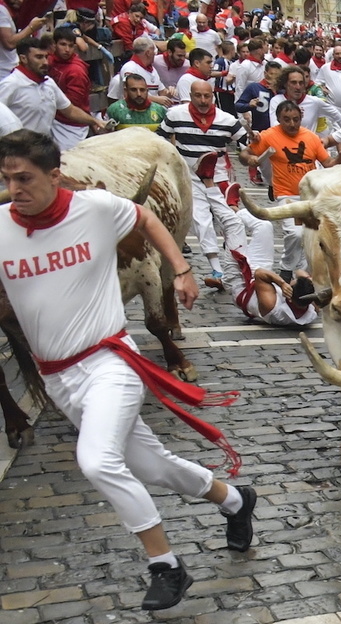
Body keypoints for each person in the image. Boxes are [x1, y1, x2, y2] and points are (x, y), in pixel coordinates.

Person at [0, 128, 256, 611]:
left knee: (97, 461)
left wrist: (182, 269)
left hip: (109, 364)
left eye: (25, 178)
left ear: (54, 176)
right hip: (58, 378)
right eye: (7, 178)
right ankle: (236, 500)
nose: (15, 189)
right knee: (151, 465)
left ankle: (166, 566)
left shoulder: (94, 208)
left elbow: (145, 217)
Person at [239, 100, 341, 282]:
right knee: (295, 233)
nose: (292, 124)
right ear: (278, 119)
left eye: (296, 119)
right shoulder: (268, 136)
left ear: (301, 118)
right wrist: (249, 159)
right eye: (287, 120)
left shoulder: (311, 137)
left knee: (312, 234)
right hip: (286, 193)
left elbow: (328, 163)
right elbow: (245, 154)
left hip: (310, 194)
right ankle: (286, 268)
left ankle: (306, 273)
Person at [157, 80, 249, 286]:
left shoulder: (227, 120)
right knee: (201, 221)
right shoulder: (175, 115)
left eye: (207, 96)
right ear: (191, 96)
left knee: (232, 221)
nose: (203, 100)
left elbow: (247, 145)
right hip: (189, 177)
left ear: (213, 96)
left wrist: (252, 148)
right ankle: (218, 271)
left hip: (219, 178)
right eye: (198, 96)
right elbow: (160, 138)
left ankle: (239, 266)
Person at [0, 37, 106, 143]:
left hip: (42, 146)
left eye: (46, 57)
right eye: (39, 57)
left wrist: (95, 121)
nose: (45, 62)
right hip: (17, 148)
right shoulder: (10, 84)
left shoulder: (48, 82)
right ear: (23, 59)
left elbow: (69, 110)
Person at [48, 28, 93, 151]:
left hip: (70, 126)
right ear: (54, 44)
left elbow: (71, 106)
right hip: (52, 119)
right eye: (63, 44)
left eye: (71, 46)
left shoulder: (76, 71)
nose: (67, 49)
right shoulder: (49, 60)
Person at [107, 37, 176, 107]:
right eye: (154, 52)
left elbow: (162, 92)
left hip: (153, 110)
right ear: (148, 53)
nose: (155, 54)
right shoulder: (130, 68)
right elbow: (131, 95)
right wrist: (157, 99)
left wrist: (169, 92)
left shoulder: (152, 70)